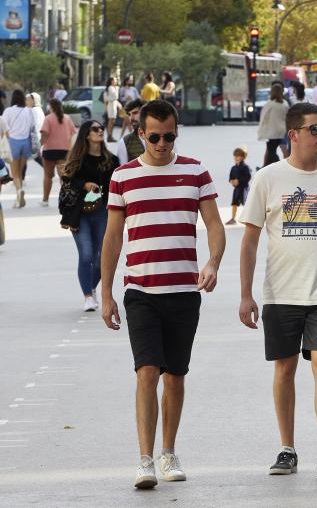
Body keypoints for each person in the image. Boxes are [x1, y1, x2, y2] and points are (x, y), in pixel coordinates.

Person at [100, 99, 225, 489]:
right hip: (141, 290)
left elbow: (215, 225)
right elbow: (112, 238)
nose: (162, 143)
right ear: (140, 134)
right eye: (154, 137)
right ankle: (144, 459)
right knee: (147, 371)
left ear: (176, 132)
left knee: (175, 375)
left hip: (184, 291)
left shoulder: (195, 171)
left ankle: (168, 452)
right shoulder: (123, 176)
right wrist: (106, 293)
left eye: (169, 136)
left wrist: (213, 263)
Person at [238, 102, 317, 480]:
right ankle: (287, 448)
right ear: (293, 134)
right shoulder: (267, 178)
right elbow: (249, 241)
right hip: (280, 292)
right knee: (286, 368)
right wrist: (246, 294)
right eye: (314, 129)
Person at [59, 120, 119, 311]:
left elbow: (117, 187)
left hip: (103, 212)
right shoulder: (77, 159)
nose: (100, 131)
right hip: (80, 214)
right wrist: (83, 184)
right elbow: (67, 181)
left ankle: (91, 287)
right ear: (86, 134)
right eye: (95, 129)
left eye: (101, 128)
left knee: (102, 257)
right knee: (86, 255)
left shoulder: (111, 160)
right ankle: (87, 296)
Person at [39, 98, 77, 207]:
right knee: (63, 177)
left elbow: (44, 135)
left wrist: (39, 145)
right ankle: (66, 199)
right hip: (64, 151)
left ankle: (45, 200)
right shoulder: (67, 118)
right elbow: (73, 134)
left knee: (47, 176)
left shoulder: (48, 118)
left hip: (49, 150)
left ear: (51, 107)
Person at [1, 90, 36, 208]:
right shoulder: (28, 111)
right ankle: (18, 198)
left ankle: (19, 191)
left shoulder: (8, 111)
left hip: (13, 142)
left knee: (14, 174)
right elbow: (32, 126)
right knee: (20, 173)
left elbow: (4, 128)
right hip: (25, 142)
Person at [258, 83, 290, 166]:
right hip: (282, 130)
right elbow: (287, 116)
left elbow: (263, 116)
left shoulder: (270, 104)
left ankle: (277, 165)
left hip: (272, 131)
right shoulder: (285, 103)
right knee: (273, 149)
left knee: (271, 150)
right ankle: (267, 167)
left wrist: (261, 129)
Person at [227, 146, 251, 226]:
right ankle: (233, 218)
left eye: (240, 156)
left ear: (243, 157)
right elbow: (230, 177)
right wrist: (232, 181)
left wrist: (239, 181)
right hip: (237, 189)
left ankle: (248, 218)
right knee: (234, 203)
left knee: (246, 203)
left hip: (244, 189)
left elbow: (248, 177)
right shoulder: (233, 168)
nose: (237, 157)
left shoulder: (245, 167)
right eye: (236, 156)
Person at [116, 99, 145, 165]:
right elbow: (122, 171)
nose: (131, 118)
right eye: (129, 114)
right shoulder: (125, 142)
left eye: (135, 113)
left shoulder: (162, 137)